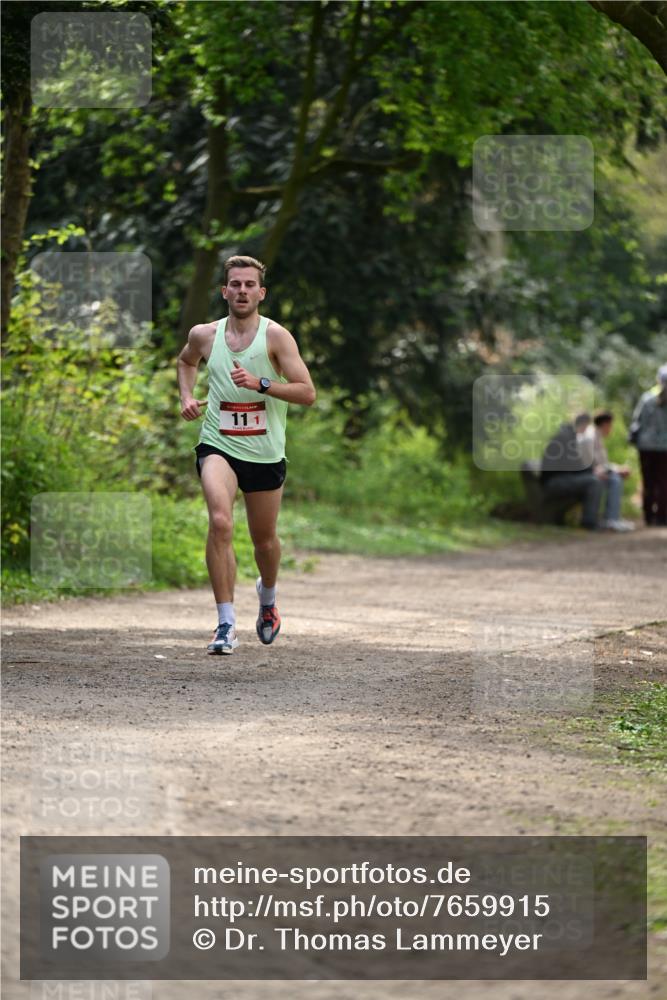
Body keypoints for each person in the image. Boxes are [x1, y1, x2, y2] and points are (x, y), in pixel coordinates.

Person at [177, 255, 316, 654]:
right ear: (224, 291)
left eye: (249, 285)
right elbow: (185, 361)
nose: (242, 291)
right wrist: (186, 396)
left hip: (265, 452)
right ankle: (225, 624)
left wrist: (262, 384)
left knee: (264, 540)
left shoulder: (277, 337)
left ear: (261, 293)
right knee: (220, 522)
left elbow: (307, 392)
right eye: (235, 284)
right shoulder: (205, 334)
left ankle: (267, 597)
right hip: (218, 443)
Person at [540, 412, 603, 530]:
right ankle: (589, 522)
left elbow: (575, 465)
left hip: (560, 478)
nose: (586, 430)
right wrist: (592, 472)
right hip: (554, 481)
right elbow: (574, 465)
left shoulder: (568, 435)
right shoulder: (566, 437)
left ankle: (594, 520)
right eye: (587, 427)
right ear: (584, 424)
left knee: (594, 480)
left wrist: (592, 471)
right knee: (594, 482)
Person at [578, 411, 634, 532]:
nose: (611, 429)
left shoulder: (597, 436)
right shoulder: (591, 437)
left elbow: (602, 464)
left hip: (593, 472)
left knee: (615, 477)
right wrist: (617, 470)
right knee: (615, 480)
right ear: (605, 424)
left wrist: (617, 468)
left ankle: (613, 518)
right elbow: (591, 464)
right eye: (610, 425)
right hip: (586, 474)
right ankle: (611, 520)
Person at [629, 364, 667, 526]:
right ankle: (662, 516)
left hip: (646, 447)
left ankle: (648, 516)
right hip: (664, 448)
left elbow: (637, 422)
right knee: (664, 482)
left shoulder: (647, 398)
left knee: (648, 481)